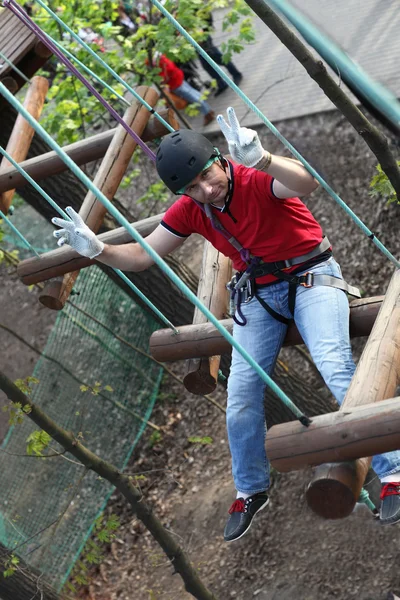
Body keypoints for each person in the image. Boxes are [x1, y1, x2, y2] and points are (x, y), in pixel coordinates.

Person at [52, 108, 400, 541]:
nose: (206, 188)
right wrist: (99, 249)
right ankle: (252, 488)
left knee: (333, 363)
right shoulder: (192, 208)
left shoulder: (253, 176)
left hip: (311, 276)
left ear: (220, 157)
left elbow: (305, 183)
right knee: (239, 393)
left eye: (206, 175)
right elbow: (144, 256)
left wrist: (264, 158)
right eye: (193, 187)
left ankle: (394, 472)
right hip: (259, 295)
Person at [155, 53, 215, 126]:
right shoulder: (164, 59)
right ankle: (208, 110)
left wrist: (160, 81)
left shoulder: (160, 64)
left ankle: (207, 113)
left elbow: (165, 77)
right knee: (194, 94)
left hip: (175, 84)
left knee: (192, 97)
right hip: (178, 79)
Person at [197, 13, 243, 96]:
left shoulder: (193, 5)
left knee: (219, 58)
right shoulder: (178, 10)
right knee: (206, 66)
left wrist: (204, 31)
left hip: (203, 38)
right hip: (195, 42)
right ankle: (221, 84)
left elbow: (207, 16)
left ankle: (237, 75)